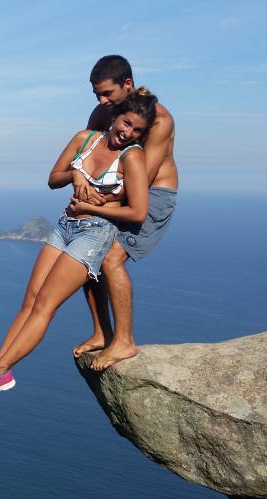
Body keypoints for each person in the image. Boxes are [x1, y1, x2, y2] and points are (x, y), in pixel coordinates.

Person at [0, 90, 159, 397]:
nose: (128, 133)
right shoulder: (85, 138)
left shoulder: (131, 156)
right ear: (115, 117)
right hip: (65, 225)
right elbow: (53, 178)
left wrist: (90, 208)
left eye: (137, 130)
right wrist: (76, 174)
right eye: (126, 123)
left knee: (45, 305)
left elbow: (138, 212)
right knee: (29, 299)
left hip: (95, 234)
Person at [71, 55, 178, 371]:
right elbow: (84, 152)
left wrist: (95, 202)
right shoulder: (105, 112)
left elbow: (141, 182)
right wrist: (79, 179)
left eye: (107, 93)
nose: (102, 101)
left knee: (110, 258)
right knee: (85, 254)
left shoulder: (160, 120)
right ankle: (103, 332)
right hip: (111, 193)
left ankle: (124, 341)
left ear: (127, 85)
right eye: (97, 95)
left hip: (152, 195)